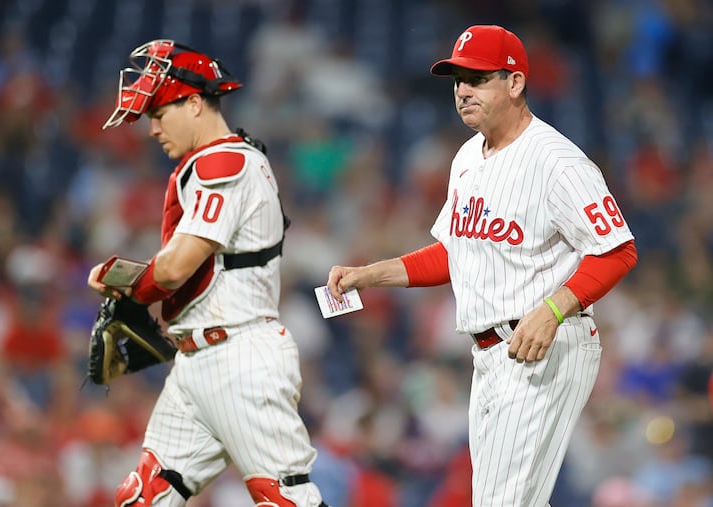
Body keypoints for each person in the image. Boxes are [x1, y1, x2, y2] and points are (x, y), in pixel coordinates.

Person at [326, 25, 638, 507]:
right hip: (489, 355)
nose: (462, 90)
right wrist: (370, 275)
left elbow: (618, 250)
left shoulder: (558, 162)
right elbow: (454, 252)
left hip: (545, 348)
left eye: (477, 78)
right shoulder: (468, 157)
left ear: (515, 83)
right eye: (456, 79)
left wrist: (553, 310)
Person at [87, 39, 330, 507]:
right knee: (145, 495)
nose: (152, 128)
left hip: (239, 358)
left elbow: (176, 268)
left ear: (195, 103)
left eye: (159, 112)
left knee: (285, 499)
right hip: (198, 361)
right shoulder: (214, 161)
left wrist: (124, 285)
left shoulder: (226, 163)